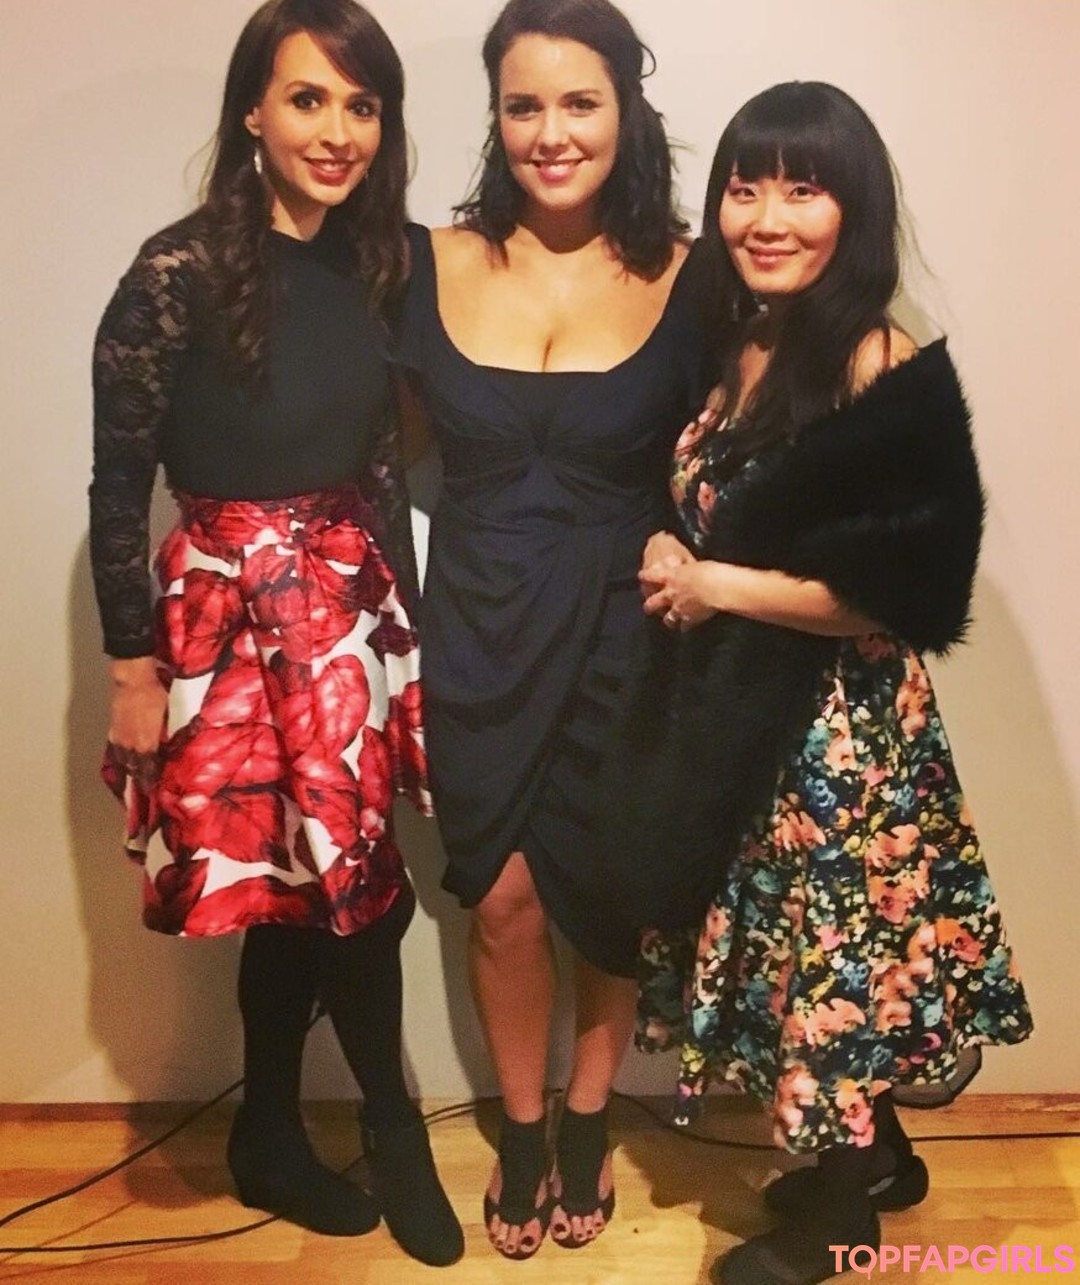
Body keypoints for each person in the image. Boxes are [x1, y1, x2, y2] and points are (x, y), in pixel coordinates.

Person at [612, 81, 1034, 1285]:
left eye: (803, 188)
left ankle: (841, 1225)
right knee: (803, 957)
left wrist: (720, 586)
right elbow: (721, 509)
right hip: (755, 719)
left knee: (834, 969)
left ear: (855, 207)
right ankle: (882, 1158)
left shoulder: (876, 360)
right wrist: (674, 548)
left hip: (843, 743)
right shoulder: (744, 342)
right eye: (745, 186)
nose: (767, 216)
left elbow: (907, 588)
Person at [89, 0, 462, 1267]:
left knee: (346, 893)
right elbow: (115, 481)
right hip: (222, 629)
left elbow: (380, 469)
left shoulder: (385, 265)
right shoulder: (176, 271)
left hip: (348, 617)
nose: (338, 130)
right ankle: (338, 1133)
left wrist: (407, 643)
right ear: (253, 108)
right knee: (287, 895)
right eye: (309, 99)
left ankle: (298, 1130)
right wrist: (129, 666)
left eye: (363, 105)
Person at [394, 0, 707, 1259]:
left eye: (580, 102)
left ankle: (590, 1118)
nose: (552, 132)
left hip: (629, 629)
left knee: (610, 900)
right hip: (476, 620)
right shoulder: (425, 260)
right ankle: (522, 1131)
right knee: (504, 901)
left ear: (626, 108)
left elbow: (751, 439)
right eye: (524, 105)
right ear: (495, 116)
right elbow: (366, 440)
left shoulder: (695, 270)